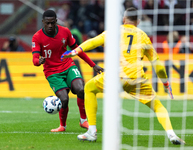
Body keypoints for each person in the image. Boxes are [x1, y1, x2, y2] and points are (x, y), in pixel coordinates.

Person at [61, 7, 186, 145]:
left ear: (123, 19)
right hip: (136, 78)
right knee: (157, 106)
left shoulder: (114, 31)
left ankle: (91, 131)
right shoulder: (143, 36)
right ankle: (172, 135)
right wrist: (166, 83)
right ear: (138, 21)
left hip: (115, 77)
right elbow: (158, 66)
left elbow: (93, 41)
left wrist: (76, 51)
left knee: (89, 88)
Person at [32, 10, 103, 132]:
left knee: (81, 89)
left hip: (68, 65)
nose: (50, 26)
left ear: (56, 21)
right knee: (64, 99)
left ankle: (83, 120)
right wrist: (39, 61)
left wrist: (93, 65)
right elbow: (34, 59)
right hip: (52, 72)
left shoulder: (65, 32)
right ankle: (62, 126)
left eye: (52, 23)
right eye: (47, 23)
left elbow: (77, 49)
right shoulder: (37, 37)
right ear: (43, 22)